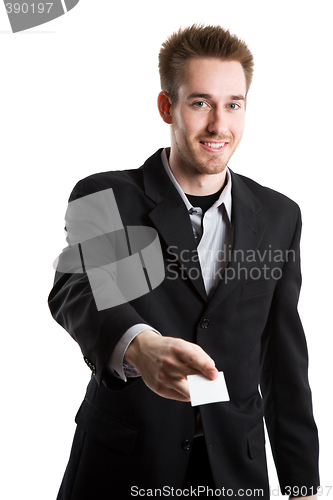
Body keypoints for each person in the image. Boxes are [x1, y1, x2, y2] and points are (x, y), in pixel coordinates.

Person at [49, 24, 320, 499]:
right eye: (200, 103)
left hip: (235, 471)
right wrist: (139, 346)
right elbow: (81, 287)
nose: (219, 125)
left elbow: (283, 356)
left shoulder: (280, 215)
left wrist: (302, 483)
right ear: (166, 107)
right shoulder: (103, 195)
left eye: (232, 104)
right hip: (124, 465)